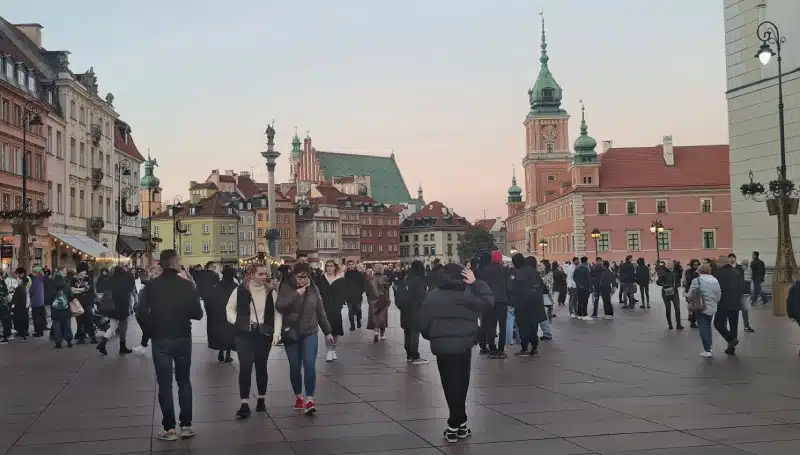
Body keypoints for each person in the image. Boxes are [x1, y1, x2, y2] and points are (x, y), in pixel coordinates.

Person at [419, 263, 493, 443]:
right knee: (461, 382)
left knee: (448, 383)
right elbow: (488, 304)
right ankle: (457, 423)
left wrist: (434, 336)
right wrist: (477, 283)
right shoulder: (468, 294)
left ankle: (457, 423)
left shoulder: (432, 295)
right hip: (464, 343)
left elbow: (423, 324)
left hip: (442, 345)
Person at [137, 250, 203, 441]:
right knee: (184, 381)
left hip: (161, 339)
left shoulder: (150, 287)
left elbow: (140, 312)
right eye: (179, 261)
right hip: (182, 336)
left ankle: (169, 429)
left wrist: (150, 330)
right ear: (174, 263)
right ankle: (187, 425)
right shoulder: (187, 285)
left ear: (162, 264)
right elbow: (197, 314)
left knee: (164, 384)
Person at [276, 262, 333, 415]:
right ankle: (298, 396)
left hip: (310, 331)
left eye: (305, 277)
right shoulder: (287, 287)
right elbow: (280, 306)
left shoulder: (314, 288)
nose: (302, 281)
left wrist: (328, 331)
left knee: (309, 364)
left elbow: (320, 311)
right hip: (291, 332)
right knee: (295, 366)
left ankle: (309, 399)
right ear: (293, 276)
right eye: (299, 278)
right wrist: (296, 295)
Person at [226, 263, 282, 419]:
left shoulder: (270, 292)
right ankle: (244, 403)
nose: (264, 277)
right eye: (261, 274)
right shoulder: (240, 290)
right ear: (251, 275)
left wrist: (277, 333)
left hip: (263, 333)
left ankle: (261, 398)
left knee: (261, 366)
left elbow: (277, 313)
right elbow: (230, 308)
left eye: (266, 274)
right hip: (245, 333)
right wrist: (236, 321)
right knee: (245, 367)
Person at [509, 254, 547, 356]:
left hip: (522, 304)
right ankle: (534, 347)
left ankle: (524, 347)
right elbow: (542, 287)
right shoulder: (535, 273)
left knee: (522, 327)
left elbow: (513, 289)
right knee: (533, 326)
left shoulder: (519, 273)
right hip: (535, 304)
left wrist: (512, 302)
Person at [475, 251, 510, 359]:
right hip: (502, 301)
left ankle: (492, 348)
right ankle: (501, 348)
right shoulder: (505, 270)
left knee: (491, 325)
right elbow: (508, 286)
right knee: (503, 326)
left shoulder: (485, 270)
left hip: (489, 301)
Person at [97, 266, 136, 355]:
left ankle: (102, 344)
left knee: (113, 326)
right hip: (122, 305)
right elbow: (131, 289)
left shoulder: (111, 278)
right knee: (123, 326)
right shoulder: (128, 277)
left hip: (111, 306)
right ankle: (122, 347)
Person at [395, 260, 428, 363]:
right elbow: (422, 298)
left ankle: (409, 355)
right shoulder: (419, 281)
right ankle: (415, 356)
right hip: (415, 310)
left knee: (407, 332)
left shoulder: (405, 280)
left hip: (405, 311)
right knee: (414, 333)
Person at [713, 254, 744, 356]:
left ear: (722, 263)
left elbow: (716, 289)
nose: (716, 264)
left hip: (722, 303)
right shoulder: (737, 272)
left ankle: (731, 339)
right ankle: (731, 348)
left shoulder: (718, 274)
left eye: (718, 262)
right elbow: (741, 287)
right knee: (733, 325)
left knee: (718, 324)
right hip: (735, 303)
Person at [687, 264, 720, 357]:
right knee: (708, 327)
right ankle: (709, 347)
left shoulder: (696, 280)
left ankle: (707, 350)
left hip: (700, 307)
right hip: (712, 307)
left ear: (700, 271)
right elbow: (719, 295)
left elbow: (690, 295)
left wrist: (689, 301)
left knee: (702, 328)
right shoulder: (715, 281)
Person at [207, 266, 237, 362]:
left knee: (221, 333)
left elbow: (212, 299)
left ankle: (221, 352)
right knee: (230, 333)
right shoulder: (235, 286)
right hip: (230, 314)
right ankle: (228, 355)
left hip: (219, 313)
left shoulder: (218, 285)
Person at [318, 260, 345, 361]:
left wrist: (340, 304)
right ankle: (329, 350)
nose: (329, 268)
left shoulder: (340, 279)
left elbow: (343, 293)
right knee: (327, 329)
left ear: (335, 267)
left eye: (331, 266)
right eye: (327, 266)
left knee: (336, 330)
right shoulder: (321, 279)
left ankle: (333, 349)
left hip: (336, 308)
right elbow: (318, 292)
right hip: (325, 307)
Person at [72, 262, 97, 344]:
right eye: (83, 271)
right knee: (79, 321)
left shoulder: (88, 279)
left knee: (89, 320)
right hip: (77, 303)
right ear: (79, 271)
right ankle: (81, 337)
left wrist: (77, 289)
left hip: (87, 302)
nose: (85, 273)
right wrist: (80, 289)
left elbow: (87, 289)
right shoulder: (73, 279)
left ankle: (93, 336)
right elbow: (71, 289)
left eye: (85, 271)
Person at [366, 264, 391, 343]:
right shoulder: (385, 278)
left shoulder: (371, 278)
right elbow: (387, 289)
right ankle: (382, 335)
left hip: (373, 299)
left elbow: (367, 290)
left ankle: (376, 331)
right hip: (383, 299)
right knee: (383, 317)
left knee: (375, 316)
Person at [49, 270, 74, 349]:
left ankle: (58, 343)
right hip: (65, 309)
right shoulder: (66, 285)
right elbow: (71, 297)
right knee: (67, 325)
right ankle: (69, 341)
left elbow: (48, 298)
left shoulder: (51, 285)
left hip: (55, 310)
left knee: (57, 326)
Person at [656, 261, 684, 330]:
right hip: (666, 292)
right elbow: (658, 282)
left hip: (675, 292)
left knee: (677, 308)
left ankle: (678, 324)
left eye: (672, 264)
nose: (671, 265)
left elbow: (678, 282)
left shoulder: (676, 273)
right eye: (669, 264)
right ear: (666, 265)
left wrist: (676, 286)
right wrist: (665, 285)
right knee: (668, 309)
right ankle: (670, 324)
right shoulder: (663, 272)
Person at [343, 261, 365, 330]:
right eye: (349, 264)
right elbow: (344, 284)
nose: (351, 266)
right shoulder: (346, 274)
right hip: (349, 296)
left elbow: (362, 283)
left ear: (354, 265)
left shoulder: (358, 273)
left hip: (357, 295)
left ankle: (358, 321)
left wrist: (361, 292)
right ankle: (352, 325)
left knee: (358, 309)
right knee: (350, 310)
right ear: (347, 266)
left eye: (352, 264)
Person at [11, 267, 30, 341]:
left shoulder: (20, 287)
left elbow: (15, 299)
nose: (17, 278)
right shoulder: (22, 288)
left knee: (20, 319)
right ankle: (23, 333)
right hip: (23, 305)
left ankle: (22, 332)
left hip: (20, 306)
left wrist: (12, 307)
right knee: (23, 319)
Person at [0, 273, 10, 344]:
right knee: (5, 321)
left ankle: (5, 337)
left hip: (1, 303)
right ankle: (6, 336)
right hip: (4, 304)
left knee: (4, 321)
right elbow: (7, 292)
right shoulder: (3, 281)